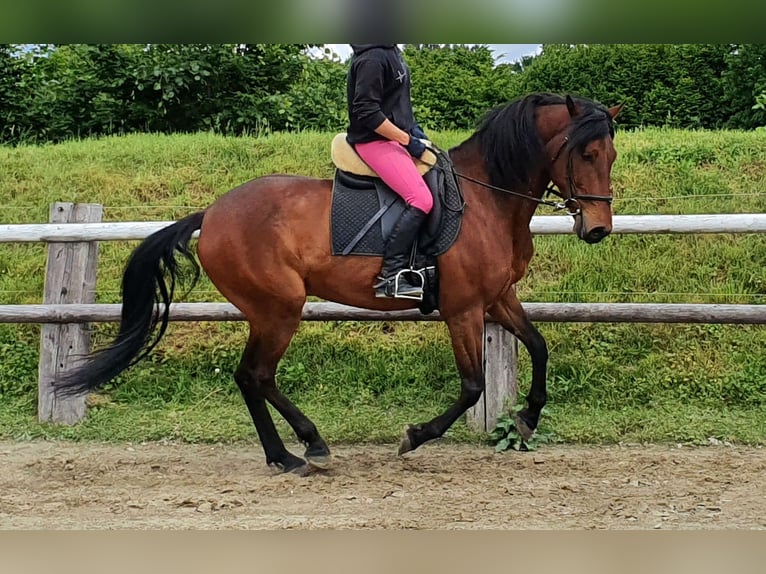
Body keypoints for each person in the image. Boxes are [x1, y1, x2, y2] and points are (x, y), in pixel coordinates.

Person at [346, 44, 434, 299]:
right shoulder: (372, 58)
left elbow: (397, 105)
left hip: (396, 137)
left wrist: (416, 133)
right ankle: (391, 275)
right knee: (421, 199)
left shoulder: (391, 50)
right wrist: (408, 141)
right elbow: (367, 111)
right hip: (374, 141)